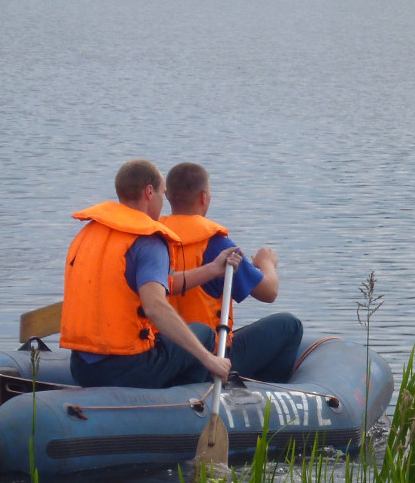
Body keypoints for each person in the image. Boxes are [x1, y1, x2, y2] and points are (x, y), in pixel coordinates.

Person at [60, 159, 240, 389]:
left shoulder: (90, 233)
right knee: (203, 334)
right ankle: (183, 402)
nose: (163, 202)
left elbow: (156, 283)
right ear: (149, 192)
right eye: (161, 194)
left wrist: (213, 269)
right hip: (126, 367)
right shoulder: (148, 241)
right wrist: (209, 359)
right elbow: (155, 306)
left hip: (82, 366)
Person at [162, 162, 303, 383]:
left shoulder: (152, 239)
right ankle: (271, 394)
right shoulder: (217, 245)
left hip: (163, 356)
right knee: (290, 326)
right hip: (211, 357)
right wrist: (266, 264)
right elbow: (269, 292)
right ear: (204, 197)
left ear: (167, 195)